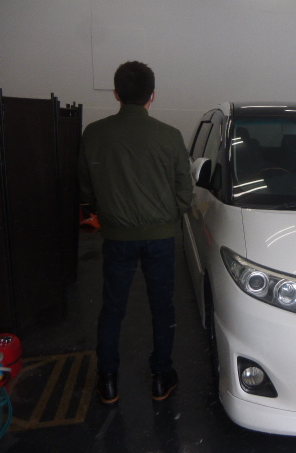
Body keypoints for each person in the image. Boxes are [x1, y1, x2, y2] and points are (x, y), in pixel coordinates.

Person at [78, 61, 192, 404]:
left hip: (116, 237)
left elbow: (85, 187)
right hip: (160, 237)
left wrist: (106, 214)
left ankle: (108, 382)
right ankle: (161, 378)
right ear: (152, 95)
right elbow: (184, 192)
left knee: (113, 309)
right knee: (163, 308)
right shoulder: (170, 136)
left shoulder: (93, 134)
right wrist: (166, 219)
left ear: (116, 94)